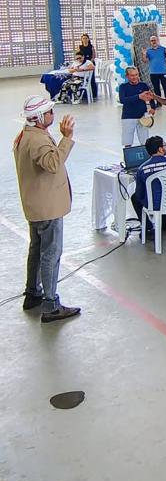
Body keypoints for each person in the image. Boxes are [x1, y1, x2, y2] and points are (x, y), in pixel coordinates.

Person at [13, 96, 80, 323]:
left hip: (35, 204)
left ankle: (32, 293)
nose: (53, 115)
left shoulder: (27, 135)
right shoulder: (38, 141)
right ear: (40, 117)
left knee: (37, 249)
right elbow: (52, 164)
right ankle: (51, 305)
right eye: (50, 112)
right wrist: (67, 138)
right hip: (47, 207)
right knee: (51, 253)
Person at [118, 66, 155, 147]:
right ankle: (128, 158)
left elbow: (151, 98)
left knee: (145, 141)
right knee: (127, 141)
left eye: (136, 75)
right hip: (128, 117)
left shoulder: (143, 85)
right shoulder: (123, 87)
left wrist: (152, 108)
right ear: (127, 76)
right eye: (132, 75)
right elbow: (123, 100)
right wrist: (138, 96)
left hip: (143, 117)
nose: (135, 77)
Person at [143, 34, 166, 100]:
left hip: (163, 72)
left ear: (158, 41)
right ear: (150, 42)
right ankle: (159, 102)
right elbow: (145, 61)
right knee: (156, 88)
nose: (154, 41)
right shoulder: (148, 51)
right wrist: (144, 54)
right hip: (153, 73)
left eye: (155, 40)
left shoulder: (163, 49)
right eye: (152, 40)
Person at [78, 32, 98, 98]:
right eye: (83, 38)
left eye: (86, 38)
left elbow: (93, 56)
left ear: (88, 39)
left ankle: (93, 94)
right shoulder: (79, 47)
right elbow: (78, 56)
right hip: (82, 64)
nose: (85, 39)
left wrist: (89, 62)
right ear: (81, 39)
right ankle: (83, 94)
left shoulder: (91, 46)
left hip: (90, 64)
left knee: (91, 79)